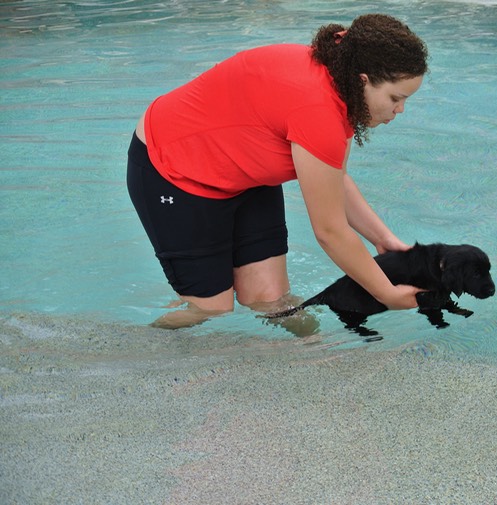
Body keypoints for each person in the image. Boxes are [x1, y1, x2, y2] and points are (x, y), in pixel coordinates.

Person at [126, 14, 429, 329]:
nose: (401, 109)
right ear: (364, 80)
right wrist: (386, 294)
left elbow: (333, 178)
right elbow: (330, 232)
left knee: (271, 299)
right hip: (174, 171)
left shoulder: (343, 81)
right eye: (396, 98)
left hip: (244, 173)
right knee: (209, 310)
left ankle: (312, 357)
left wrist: (384, 239)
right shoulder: (319, 110)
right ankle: (130, 357)